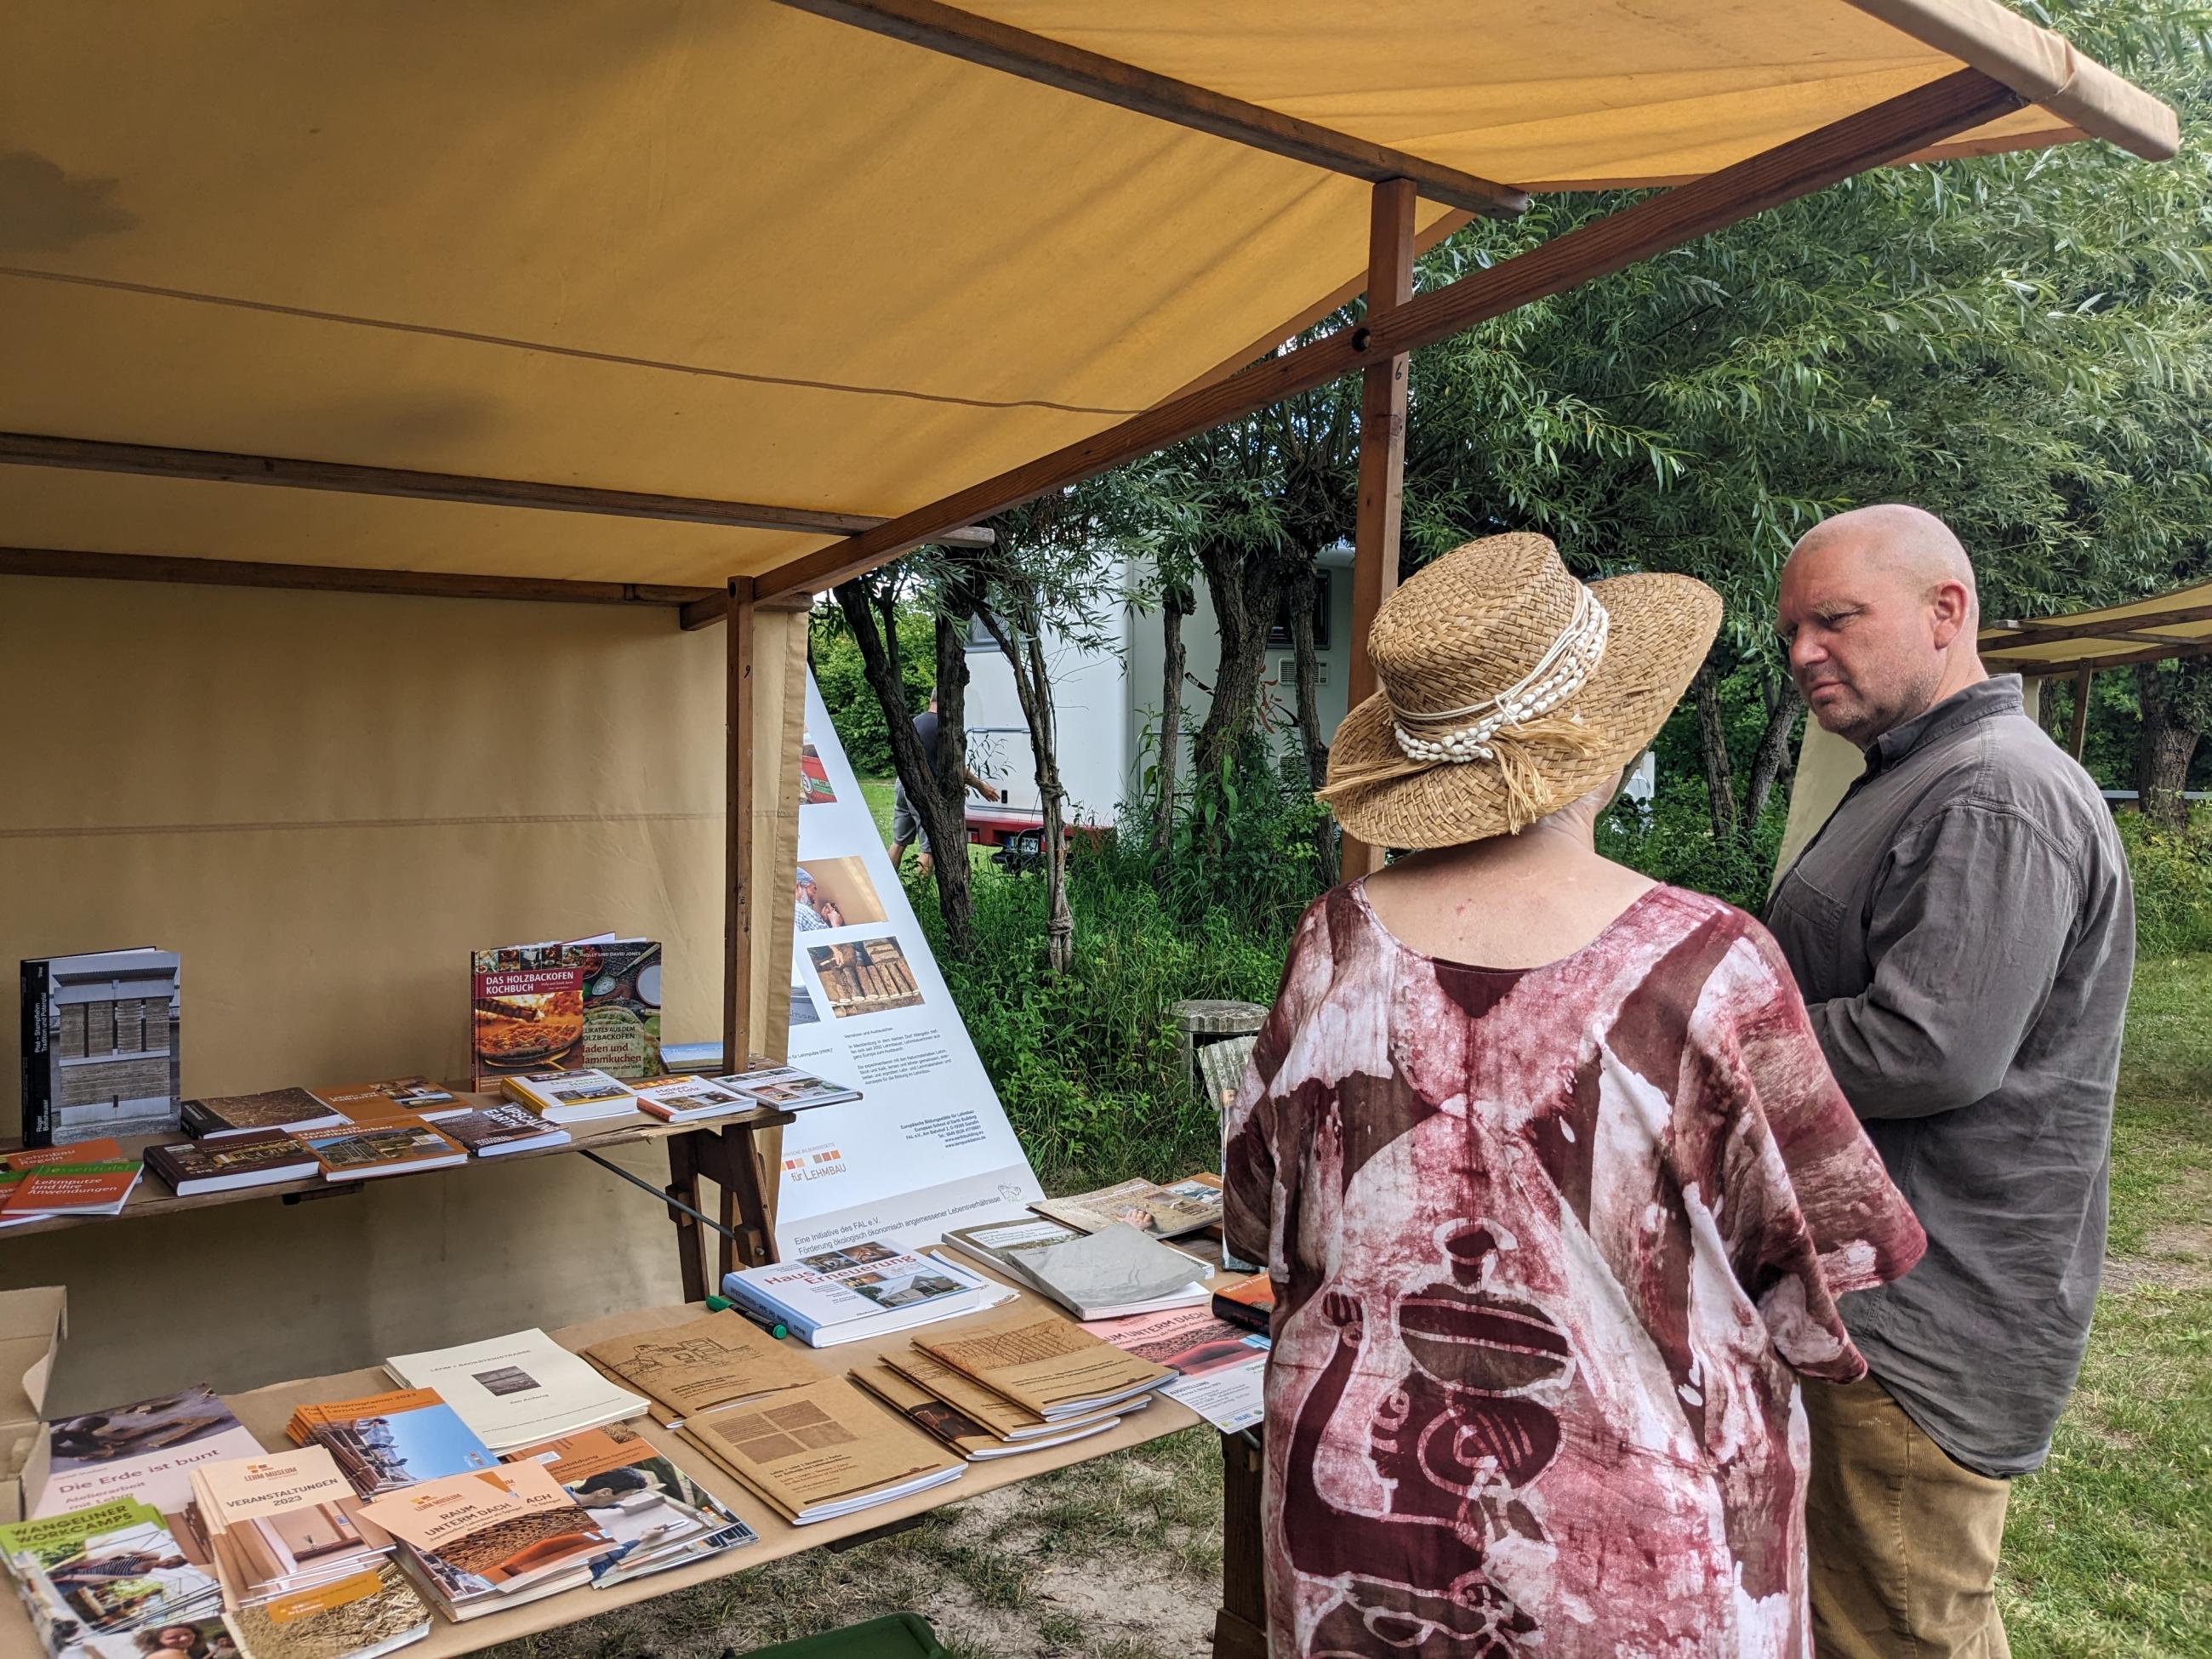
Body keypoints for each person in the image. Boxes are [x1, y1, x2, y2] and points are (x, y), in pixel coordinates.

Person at [1224, 533, 1925, 1659]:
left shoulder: (1333, 943)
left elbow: (1258, 1218)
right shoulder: (1711, 964)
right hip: (1628, 1546)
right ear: (1597, 745)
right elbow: (1819, 1272)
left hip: (1354, 1521)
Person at [1767, 505, 2135, 1659]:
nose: (1804, 652)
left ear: (1946, 610)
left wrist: (1712, 1022)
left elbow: (1930, 1048)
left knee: (1901, 1630)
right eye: (1790, 632)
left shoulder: (1991, 790)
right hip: (1873, 1297)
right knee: (1875, 1615)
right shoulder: (1920, 769)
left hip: (1924, 1316)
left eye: (1835, 619)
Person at [887, 693, 1000, 875]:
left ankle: (886, 887)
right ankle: (919, 897)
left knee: (899, 842)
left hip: (903, 784)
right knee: (930, 849)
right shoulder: (944, 729)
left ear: (930, 700)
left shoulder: (914, 722)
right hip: (923, 790)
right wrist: (981, 786)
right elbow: (958, 768)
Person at [793, 868, 843, 932]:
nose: (814, 899)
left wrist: (824, 922)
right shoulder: (803, 911)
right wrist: (836, 924)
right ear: (797, 887)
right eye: (813, 889)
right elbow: (830, 941)